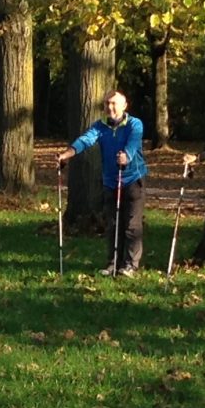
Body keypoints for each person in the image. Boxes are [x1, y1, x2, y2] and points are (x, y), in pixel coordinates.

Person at [56, 89, 148, 275]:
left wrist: (126, 156)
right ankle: (113, 263)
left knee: (131, 225)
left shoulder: (134, 124)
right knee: (113, 224)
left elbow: (133, 143)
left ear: (124, 106)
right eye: (107, 103)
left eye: (114, 103)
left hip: (132, 179)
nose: (110, 107)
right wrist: (67, 154)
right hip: (111, 181)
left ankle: (130, 265)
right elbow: (85, 140)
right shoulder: (100, 126)